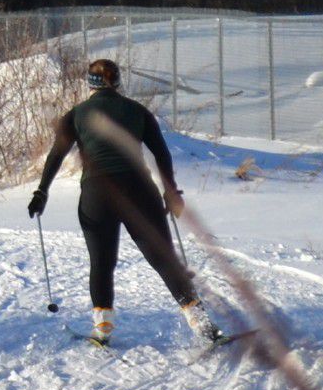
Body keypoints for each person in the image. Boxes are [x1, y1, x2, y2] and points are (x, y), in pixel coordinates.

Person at [26, 57, 225, 346]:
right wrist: (171, 192)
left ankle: (103, 326)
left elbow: (56, 155)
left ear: (89, 84)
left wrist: (41, 192)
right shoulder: (137, 111)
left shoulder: (77, 114)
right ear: (118, 82)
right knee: (163, 258)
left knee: (102, 261)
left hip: (97, 193)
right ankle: (201, 323)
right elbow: (161, 154)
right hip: (139, 191)